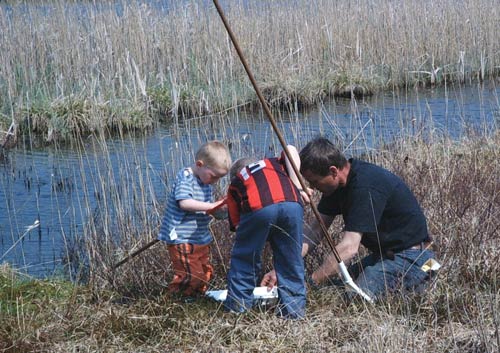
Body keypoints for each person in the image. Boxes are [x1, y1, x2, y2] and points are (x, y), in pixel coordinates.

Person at [261, 137, 437, 302]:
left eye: (315, 182)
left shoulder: (365, 186)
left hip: (416, 259)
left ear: (333, 171)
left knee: (355, 297)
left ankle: (422, 284)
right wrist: (282, 269)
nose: (313, 188)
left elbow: (349, 248)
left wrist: (310, 283)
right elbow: (314, 231)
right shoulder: (335, 186)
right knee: (332, 290)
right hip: (385, 256)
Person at [223, 146, 310, 319]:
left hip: (258, 207)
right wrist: (299, 187)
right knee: (291, 260)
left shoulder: (236, 183)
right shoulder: (275, 164)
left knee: (244, 259)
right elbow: (291, 149)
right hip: (293, 204)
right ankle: (294, 313)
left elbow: (240, 229)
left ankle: (238, 309)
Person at [158, 140, 231, 300]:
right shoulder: (186, 179)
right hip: (182, 239)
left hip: (199, 238)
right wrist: (210, 205)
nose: (215, 181)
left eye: (219, 178)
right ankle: (175, 301)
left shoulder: (205, 182)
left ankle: (196, 299)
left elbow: (204, 209)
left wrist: (218, 209)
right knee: (190, 274)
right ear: (200, 164)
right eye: (214, 176)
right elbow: (184, 203)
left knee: (205, 272)